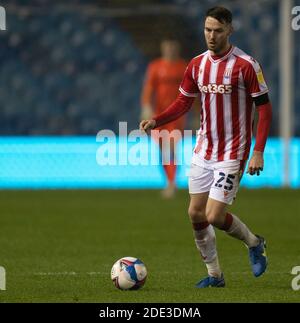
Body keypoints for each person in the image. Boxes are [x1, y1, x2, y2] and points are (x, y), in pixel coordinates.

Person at [140, 6, 272, 287]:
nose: (211, 36)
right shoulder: (197, 64)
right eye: (207, 30)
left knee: (214, 215)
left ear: (229, 30)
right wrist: (156, 119)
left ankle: (253, 242)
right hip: (204, 148)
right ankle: (215, 276)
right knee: (195, 213)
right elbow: (184, 102)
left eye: (218, 31)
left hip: (233, 151)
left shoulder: (246, 65)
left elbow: (265, 110)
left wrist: (258, 151)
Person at [140, 39, 187, 198]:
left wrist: (196, 112)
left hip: (176, 115)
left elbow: (191, 91)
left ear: (177, 49)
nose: (170, 51)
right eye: (167, 48)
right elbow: (149, 88)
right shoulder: (155, 66)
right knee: (162, 150)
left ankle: (172, 183)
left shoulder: (183, 67)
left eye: (172, 48)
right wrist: (146, 106)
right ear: (163, 49)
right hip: (158, 116)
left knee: (171, 148)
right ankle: (169, 181)